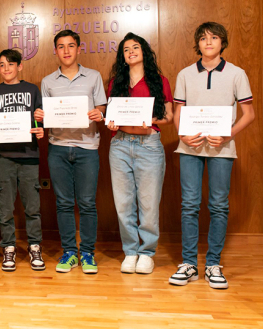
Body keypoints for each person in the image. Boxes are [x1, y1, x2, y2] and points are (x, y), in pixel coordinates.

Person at [169, 22, 254, 289]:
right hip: (190, 147)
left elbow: (249, 114)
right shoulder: (185, 74)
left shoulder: (237, 74)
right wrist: (182, 134)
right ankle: (189, 264)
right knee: (189, 205)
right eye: (203, 38)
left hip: (222, 148)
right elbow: (178, 112)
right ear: (198, 43)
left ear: (222, 42)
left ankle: (214, 264)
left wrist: (228, 135)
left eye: (214, 37)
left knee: (218, 205)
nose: (208, 42)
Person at [35, 29, 106, 274]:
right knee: (63, 203)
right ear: (55, 51)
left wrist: (100, 114)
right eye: (61, 46)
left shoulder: (94, 77)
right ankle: (69, 252)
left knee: (87, 203)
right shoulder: (47, 82)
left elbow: (101, 109)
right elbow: (44, 116)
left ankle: (87, 252)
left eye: (71, 46)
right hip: (58, 148)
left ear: (78, 48)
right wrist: (39, 116)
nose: (66, 51)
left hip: (87, 148)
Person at [106, 32, 173, 274]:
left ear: (144, 51)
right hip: (120, 145)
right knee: (123, 203)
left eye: (135, 47)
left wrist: (149, 119)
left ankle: (147, 253)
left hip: (149, 145)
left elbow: (169, 117)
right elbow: (112, 115)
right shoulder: (116, 82)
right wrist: (111, 122)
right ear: (122, 56)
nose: (131, 51)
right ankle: (130, 252)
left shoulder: (159, 80)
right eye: (126, 49)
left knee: (148, 203)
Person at [0, 49, 45, 272]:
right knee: (5, 208)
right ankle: (8, 247)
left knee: (32, 207)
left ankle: (34, 246)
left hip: (29, 156)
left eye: (10, 64)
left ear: (20, 66)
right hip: (3, 157)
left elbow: (40, 119)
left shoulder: (32, 90)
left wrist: (40, 129)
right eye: (1, 65)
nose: (6, 68)